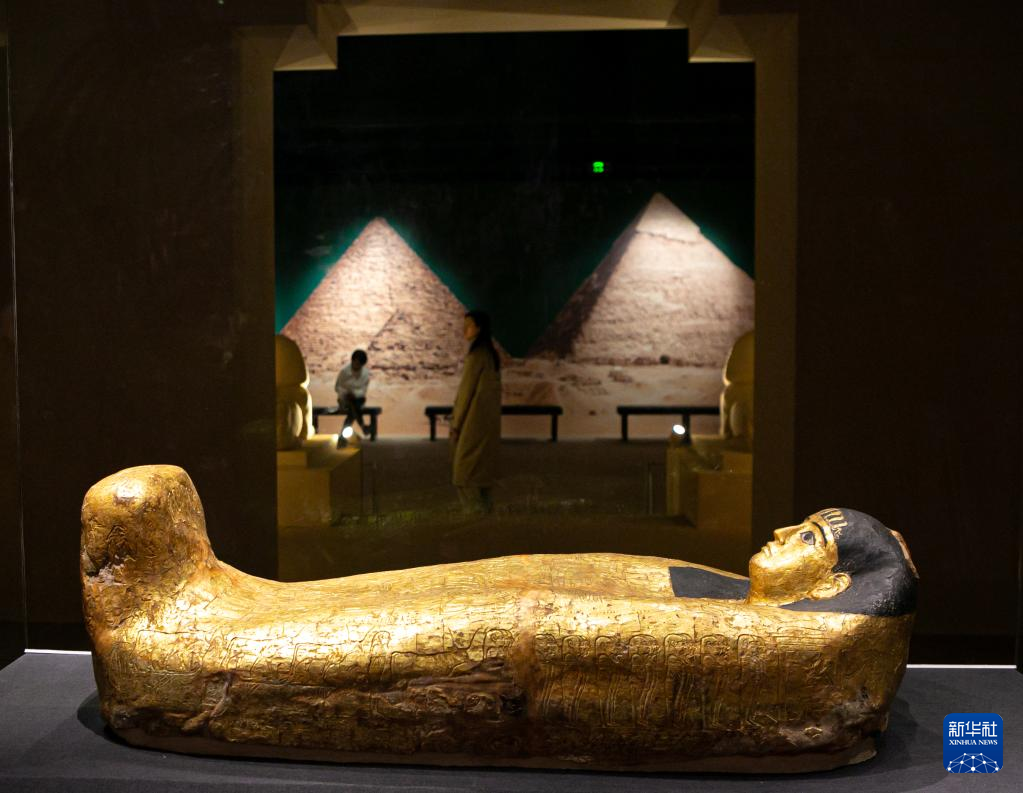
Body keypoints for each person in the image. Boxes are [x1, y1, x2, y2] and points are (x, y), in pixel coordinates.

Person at [451, 310, 501, 513]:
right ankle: (486, 515)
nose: (464, 329)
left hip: (472, 423)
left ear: (479, 328)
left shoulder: (477, 356)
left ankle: (474, 516)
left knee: (463, 474)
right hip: (487, 423)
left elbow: (466, 392)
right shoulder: (490, 355)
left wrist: (456, 424)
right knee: (482, 474)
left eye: (469, 325)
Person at [334, 349, 370, 440]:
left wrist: (354, 394)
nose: (357, 366)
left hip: (358, 399)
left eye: (359, 364)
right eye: (356, 363)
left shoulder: (365, 374)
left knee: (353, 406)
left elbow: (363, 390)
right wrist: (346, 393)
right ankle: (362, 426)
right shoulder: (344, 371)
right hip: (344, 399)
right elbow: (337, 387)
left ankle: (342, 438)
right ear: (352, 360)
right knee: (354, 405)